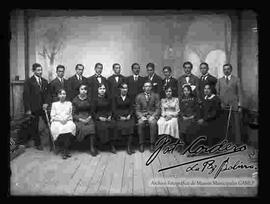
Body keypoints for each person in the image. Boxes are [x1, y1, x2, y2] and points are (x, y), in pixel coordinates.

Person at [23, 63, 49, 150]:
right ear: (33, 71)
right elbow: (26, 96)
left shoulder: (45, 81)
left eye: (41, 70)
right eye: (38, 70)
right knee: (34, 126)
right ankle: (38, 143)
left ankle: (52, 141)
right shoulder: (29, 82)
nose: (40, 72)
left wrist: (46, 103)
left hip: (44, 108)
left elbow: (47, 95)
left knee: (49, 123)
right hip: (34, 108)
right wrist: (28, 109)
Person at [216, 63, 243, 144]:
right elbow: (217, 93)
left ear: (231, 70)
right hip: (223, 105)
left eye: (228, 69)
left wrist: (239, 105)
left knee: (236, 124)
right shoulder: (220, 80)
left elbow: (240, 93)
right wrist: (220, 103)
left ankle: (237, 142)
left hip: (234, 105)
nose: (226, 71)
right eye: (224, 69)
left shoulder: (236, 79)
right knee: (224, 124)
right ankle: (225, 141)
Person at [50, 89, 76, 159]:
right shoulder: (54, 104)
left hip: (67, 120)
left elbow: (70, 114)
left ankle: (65, 149)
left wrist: (66, 119)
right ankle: (65, 150)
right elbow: (52, 116)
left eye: (64, 94)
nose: (62, 95)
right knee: (61, 128)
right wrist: (60, 120)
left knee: (70, 127)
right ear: (58, 95)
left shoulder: (69, 103)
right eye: (61, 94)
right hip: (57, 121)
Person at [72, 83, 97, 156]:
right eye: (82, 89)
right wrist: (81, 119)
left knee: (92, 126)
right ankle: (82, 145)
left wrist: (89, 117)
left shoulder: (89, 99)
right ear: (79, 90)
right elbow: (73, 114)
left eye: (85, 89)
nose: (83, 91)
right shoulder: (75, 100)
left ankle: (92, 147)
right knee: (81, 127)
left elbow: (92, 111)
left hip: (88, 116)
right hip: (79, 118)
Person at [135, 81, 160, 152]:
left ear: (151, 87)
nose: (148, 88)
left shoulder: (156, 95)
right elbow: (137, 109)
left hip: (152, 115)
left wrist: (154, 116)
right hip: (143, 115)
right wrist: (141, 116)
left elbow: (158, 108)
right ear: (143, 88)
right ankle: (141, 144)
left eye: (149, 86)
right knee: (140, 123)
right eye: (146, 86)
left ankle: (152, 143)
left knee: (153, 123)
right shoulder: (139, 96)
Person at [92, 83, 117, 153]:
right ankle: (101, 145)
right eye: (100, 89)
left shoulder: (108, 98)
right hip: (99, 117)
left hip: (107, 116)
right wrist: (99, 118)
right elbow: (93, 112)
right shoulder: (94, 99)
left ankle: (112, 145)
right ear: (97, 90)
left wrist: (109, 115)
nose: (102, 90)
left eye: (103, 89)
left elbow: (110, 109)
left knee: (113, 124)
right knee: (102, 126)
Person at [113, 83, 135, 155]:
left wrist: (129, 115)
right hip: (119, 116)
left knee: (131, 125)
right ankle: (119, 145)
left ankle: (129, 146)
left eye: (126, 88)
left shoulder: (130, 97)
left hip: (128, 115)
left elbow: (132, 108)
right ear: (120, 89)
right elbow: (114, 109)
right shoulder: (116, 97)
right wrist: (119, 117)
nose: (125, 90)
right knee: (119, 125)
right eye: (123, 88)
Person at [179, 84, 200, 154]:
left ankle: (192, 148)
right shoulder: (181, 99)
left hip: (192, 117)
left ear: (190, 91)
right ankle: (184, 146)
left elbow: (197, 109)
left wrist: (193, 116)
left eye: (187, 90)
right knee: (182, 127)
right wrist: (183, 116)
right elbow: (180, 110)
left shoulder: (194, 98)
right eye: (184, 91)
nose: (186, 92)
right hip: (184, 117)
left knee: (191, 127)